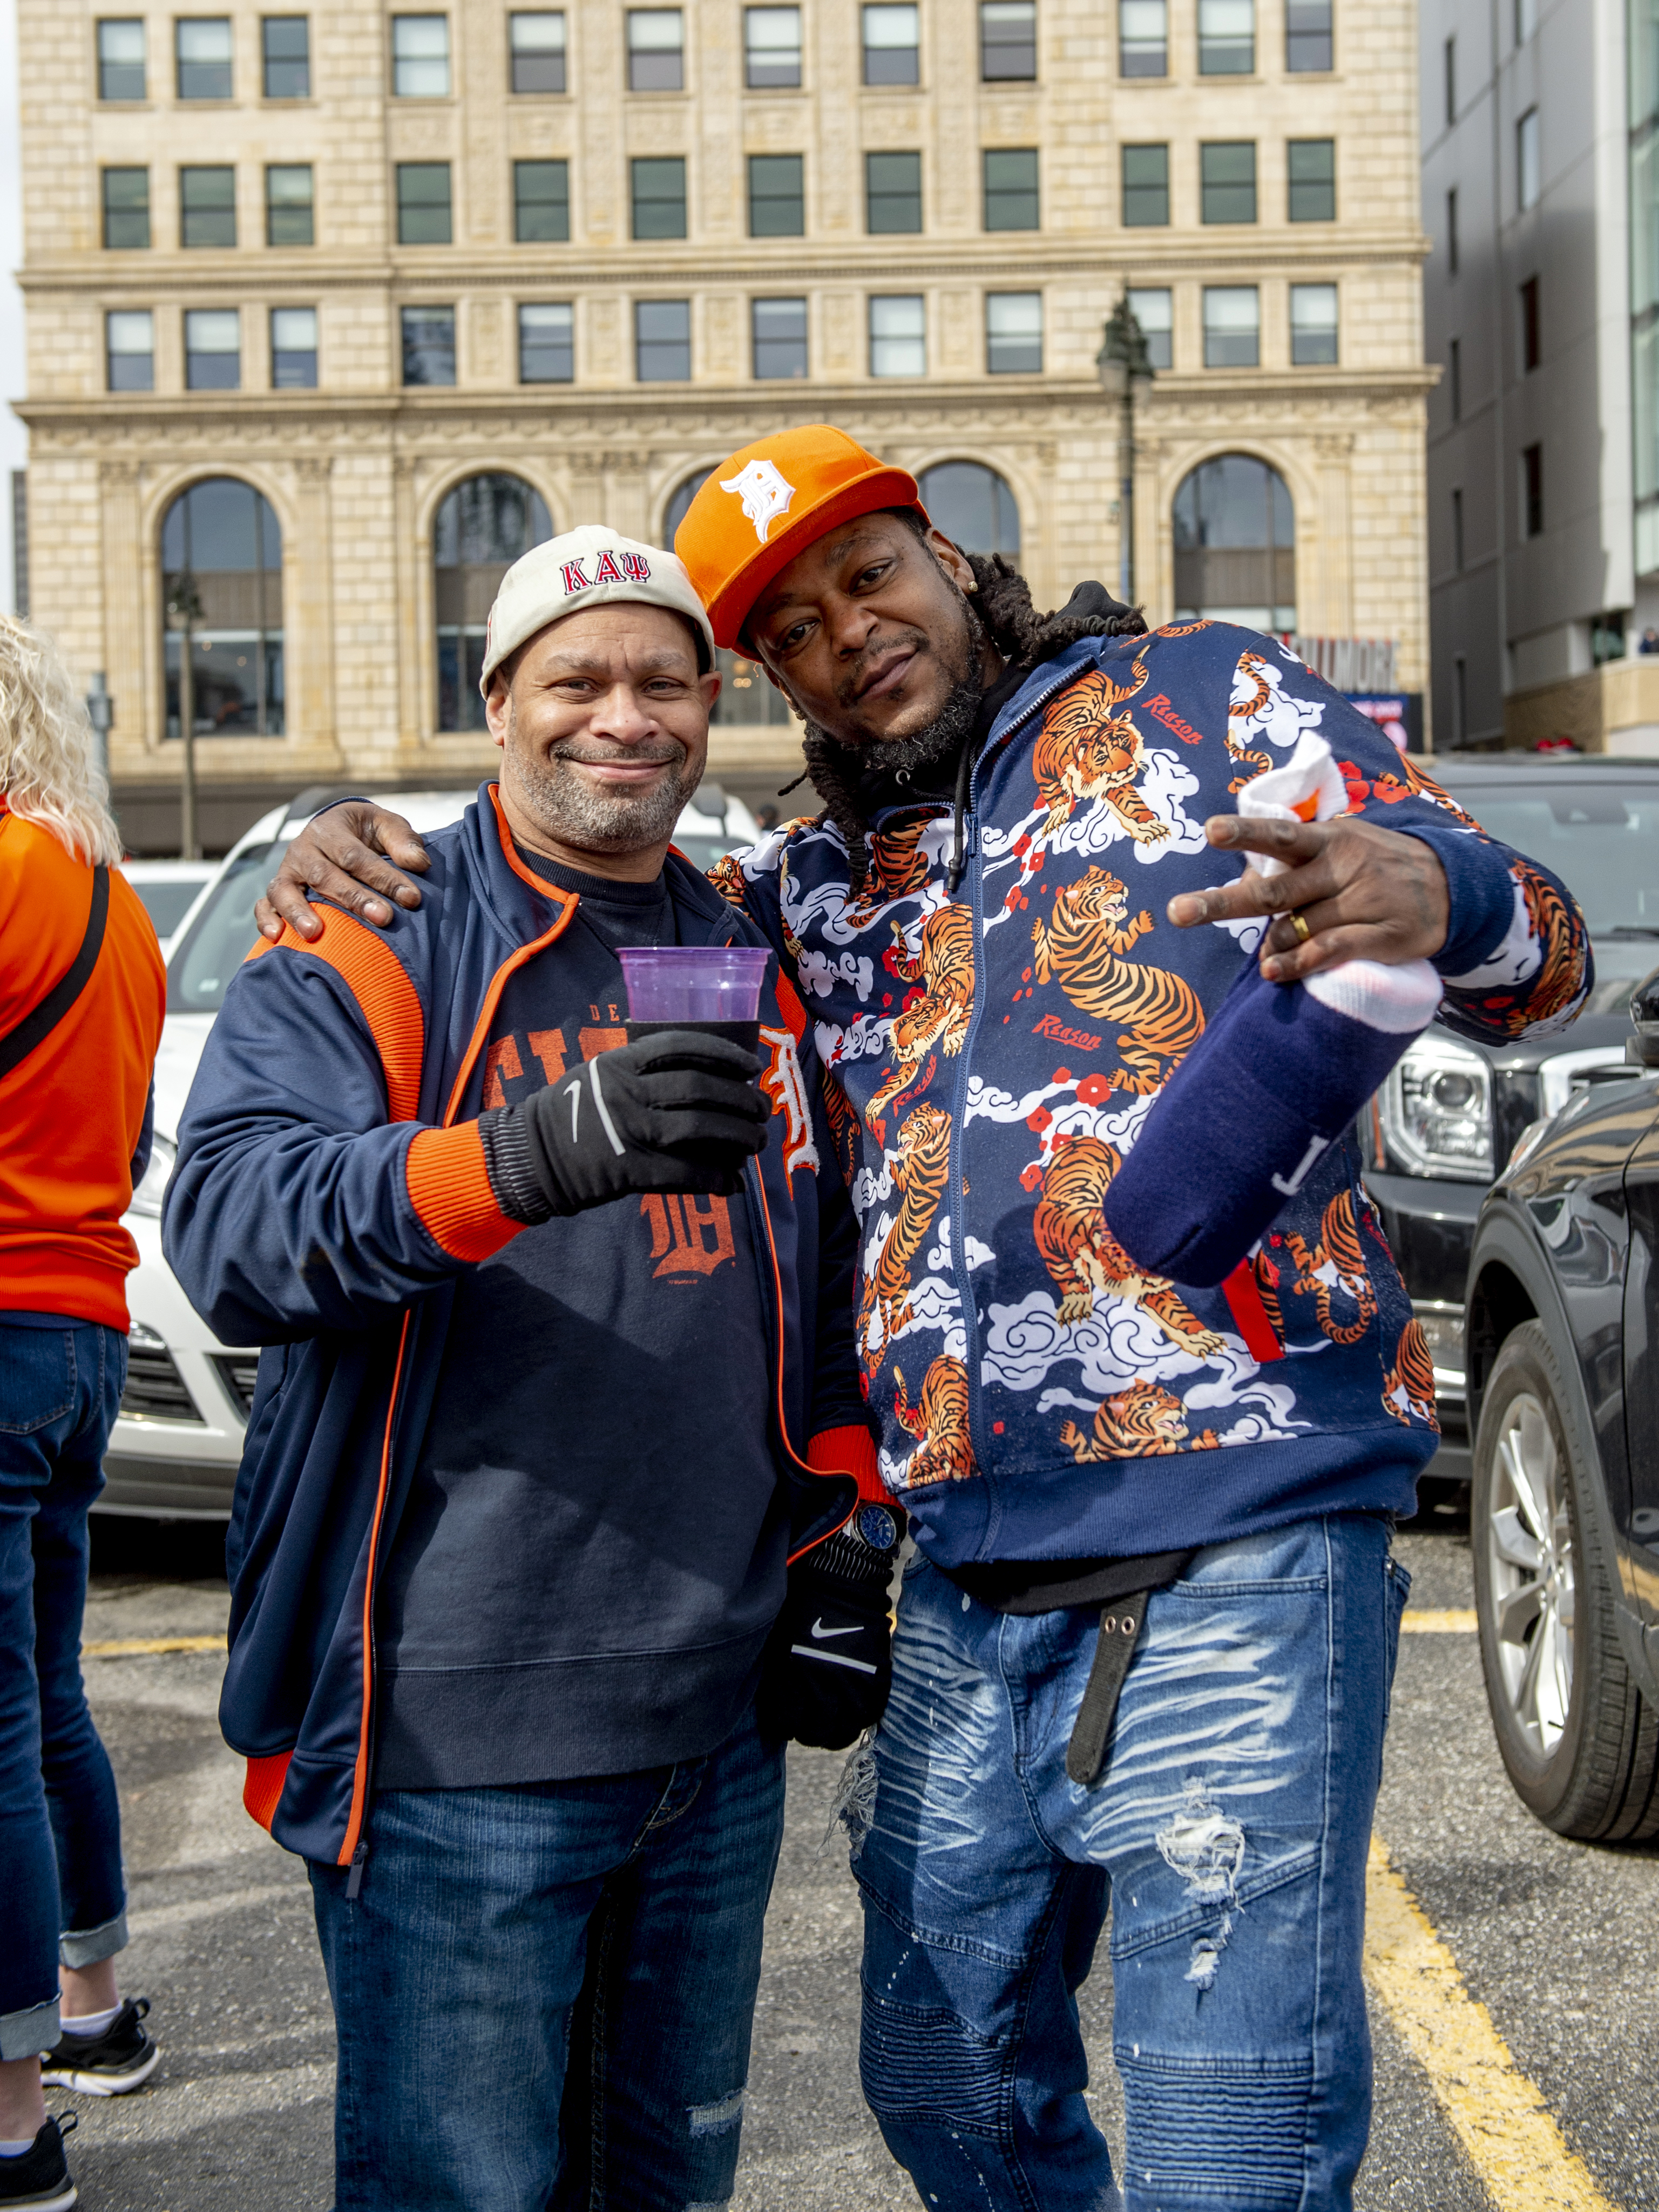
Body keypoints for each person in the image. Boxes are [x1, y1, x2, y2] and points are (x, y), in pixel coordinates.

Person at [264, 434, 1589, 2212]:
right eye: (794, 630)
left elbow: (1538, 955)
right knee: (941, 2068)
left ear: (951, 559)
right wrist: (365, 849)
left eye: (868, 576)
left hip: (1235, 1529)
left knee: (1229, 2138)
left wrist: (1453, 897)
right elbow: (600, 933)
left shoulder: (1206, 693)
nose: (849, 634)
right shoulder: (803, 891)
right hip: (958, 1567)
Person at [162, 528, 891, 2212]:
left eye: (660, 680)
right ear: (498, 703)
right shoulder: (376, 921)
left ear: (712, 703)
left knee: (668, 2183)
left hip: (713, 1725)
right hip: (455, 1732)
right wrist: (533, 1149)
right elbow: (232, 1228)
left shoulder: (744, 939)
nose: (620, 717)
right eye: (574, 678)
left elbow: (828, 1266)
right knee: (464, 2190)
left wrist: (835, 1538)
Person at [0, 616, 165, 2211]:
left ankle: (10, 2122)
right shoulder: (114, 902)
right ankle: (96, 2011)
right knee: (45, 1695)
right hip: (79, 1323)